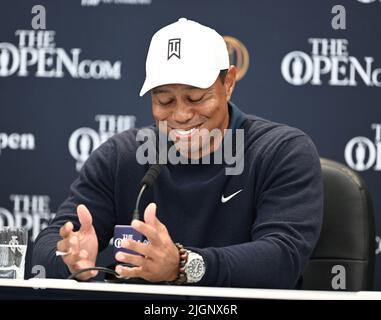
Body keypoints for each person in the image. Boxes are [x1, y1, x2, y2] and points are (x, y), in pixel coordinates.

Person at [32, 18, 323, 288]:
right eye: (165, 100)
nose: (181, 115)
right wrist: (68, 257)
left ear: (229, 83)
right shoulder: (122, 157)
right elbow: (48, 244)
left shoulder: (281, 152)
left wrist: (183, 265)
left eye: (196, 97)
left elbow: (282, 258)